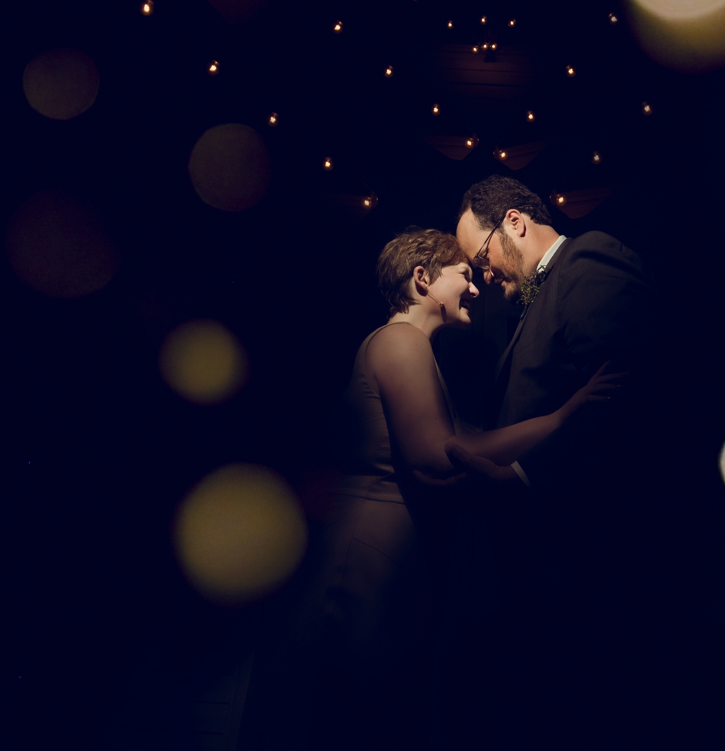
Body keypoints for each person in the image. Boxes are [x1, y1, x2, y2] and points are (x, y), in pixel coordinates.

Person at [239, 226, 619, 750]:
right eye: (464, 275)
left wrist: (559, 420)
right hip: (366, 573)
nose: (476, 288)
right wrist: (566, 417)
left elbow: (466, 444)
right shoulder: (400, 341)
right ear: (422, 279)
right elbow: (437, 460)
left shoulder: (410, 348)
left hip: (385, 569)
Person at [449, 175, 655, 745]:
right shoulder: (535, 295)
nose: (484, 275)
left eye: (481, 257)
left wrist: (519, 479)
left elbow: (628, 385)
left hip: (592, 547)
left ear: (514, 221)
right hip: (552, 546)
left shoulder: (589, 259)